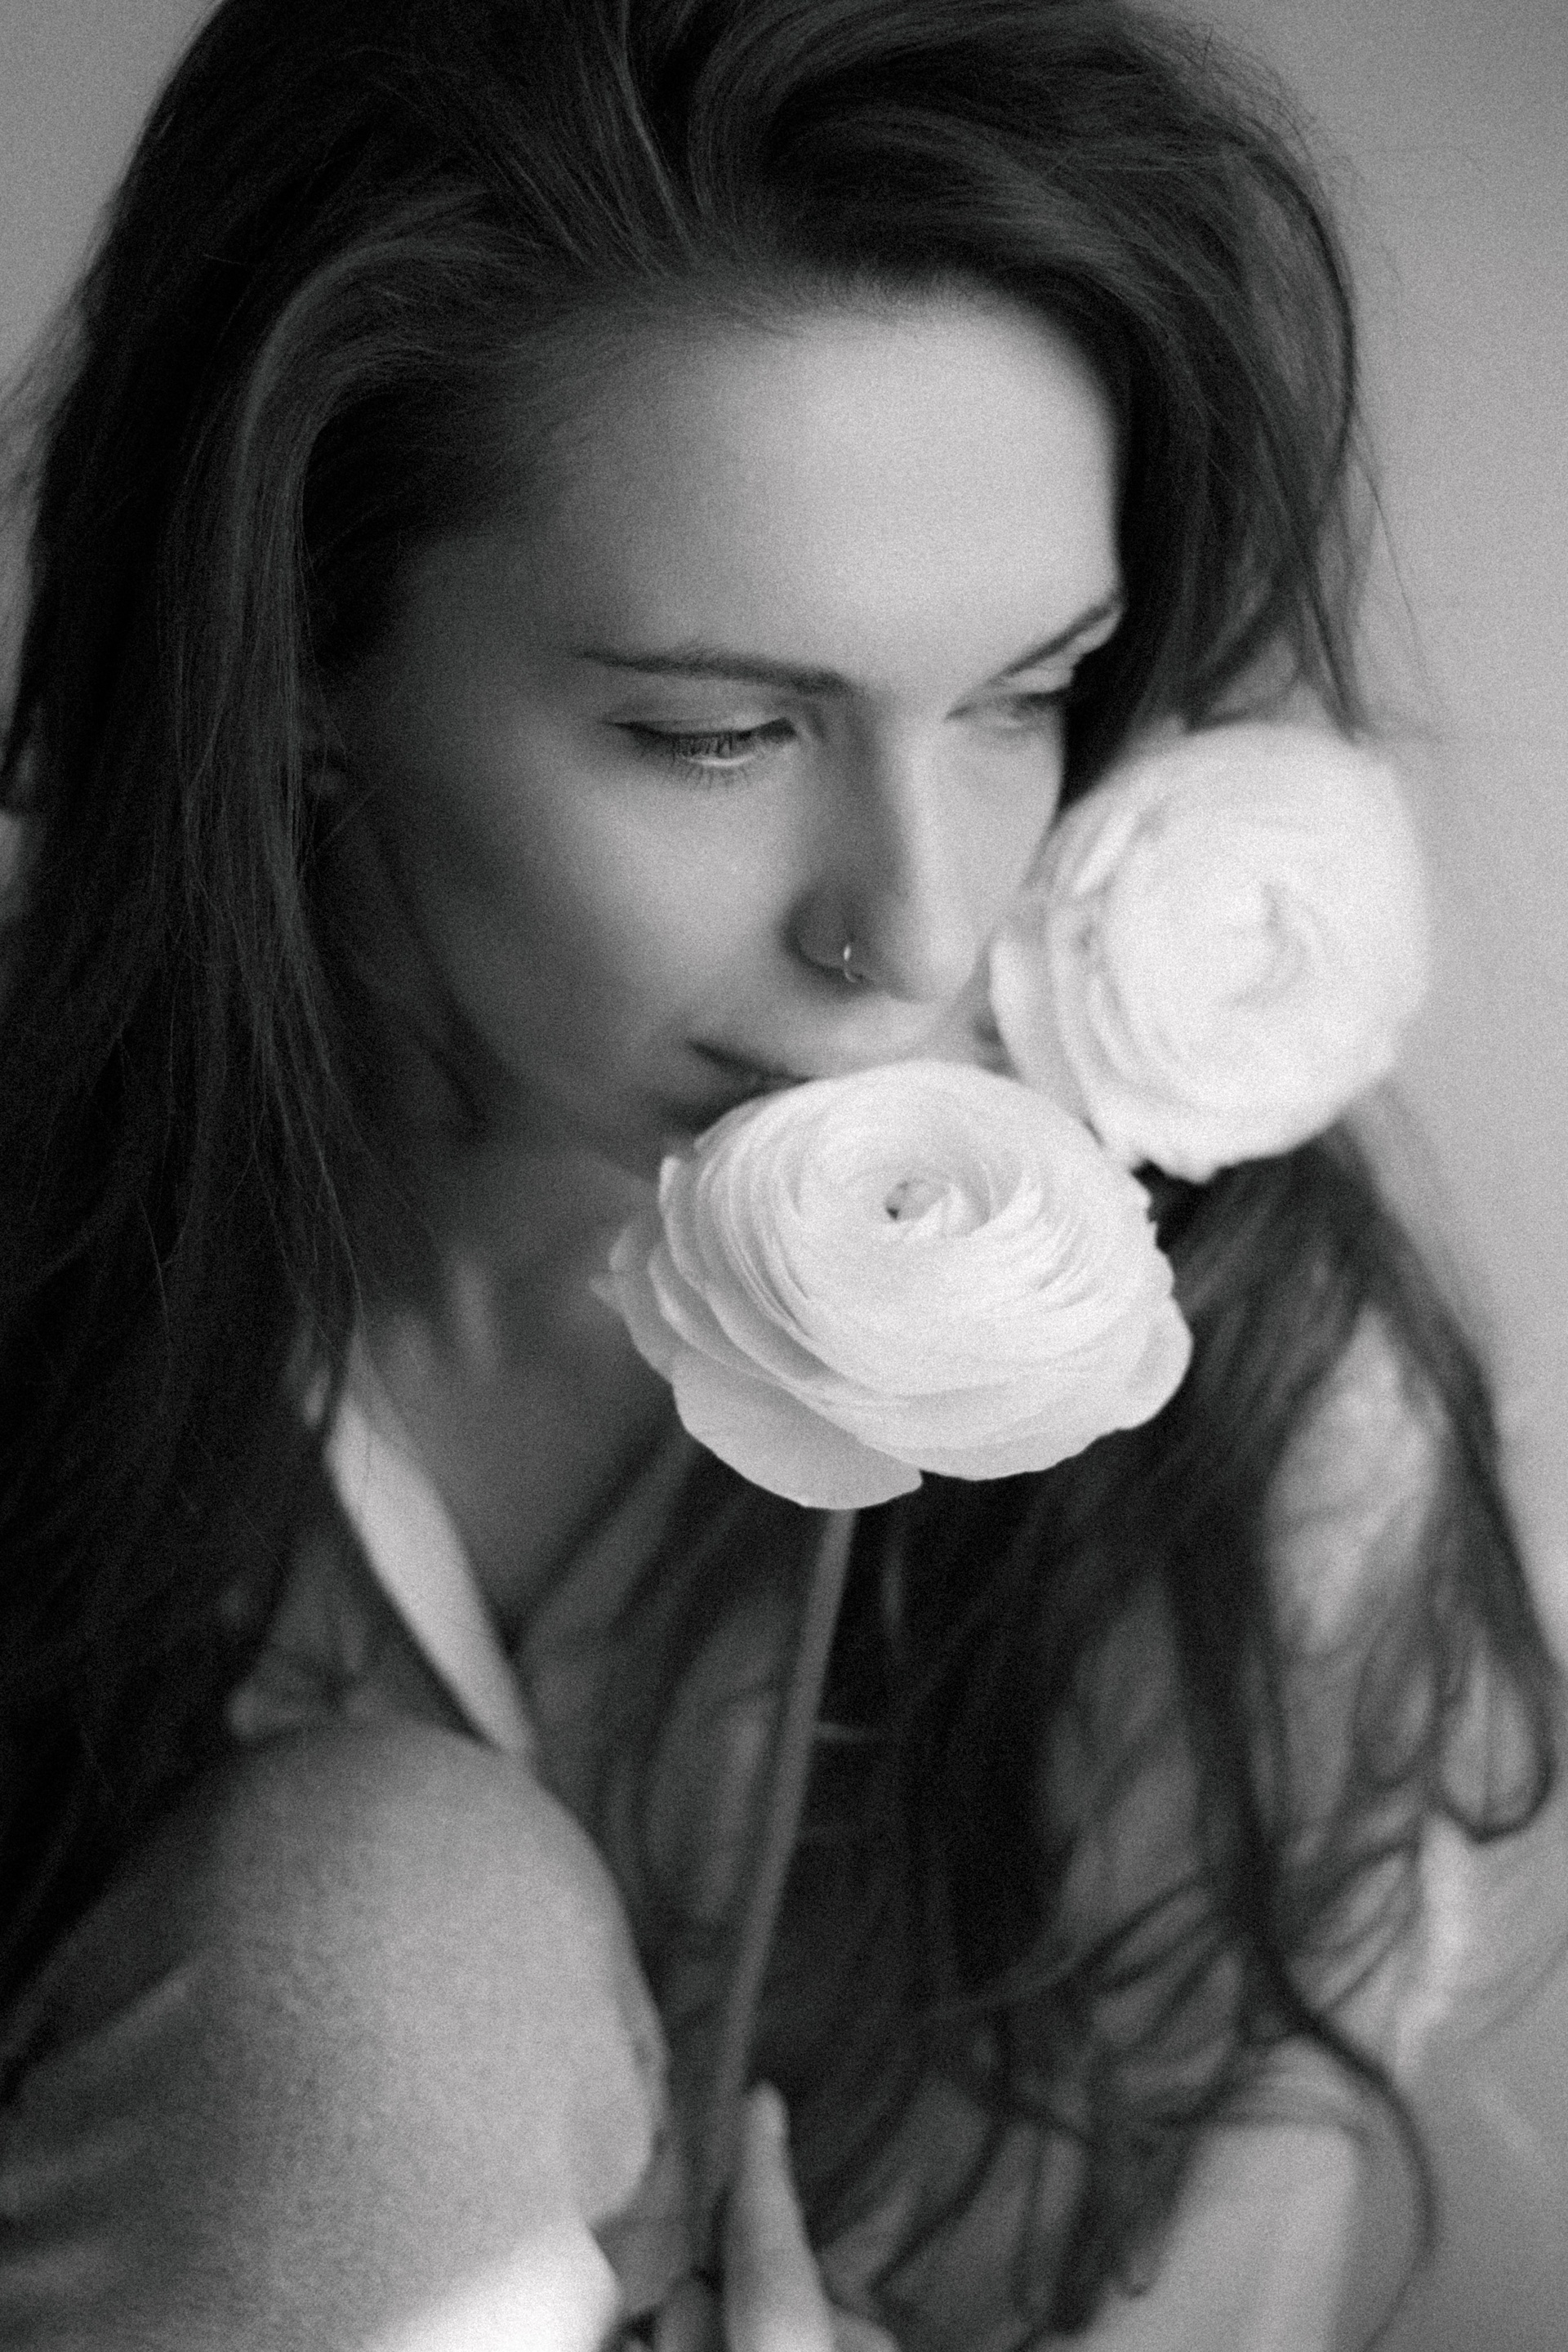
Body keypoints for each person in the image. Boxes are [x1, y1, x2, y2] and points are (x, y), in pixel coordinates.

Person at [0, 0, 1560, 2345]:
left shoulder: (1245, 1433)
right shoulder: (57, 1262)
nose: (915, 934)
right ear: (303, 654)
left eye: (1027, 693)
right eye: (720, 733)